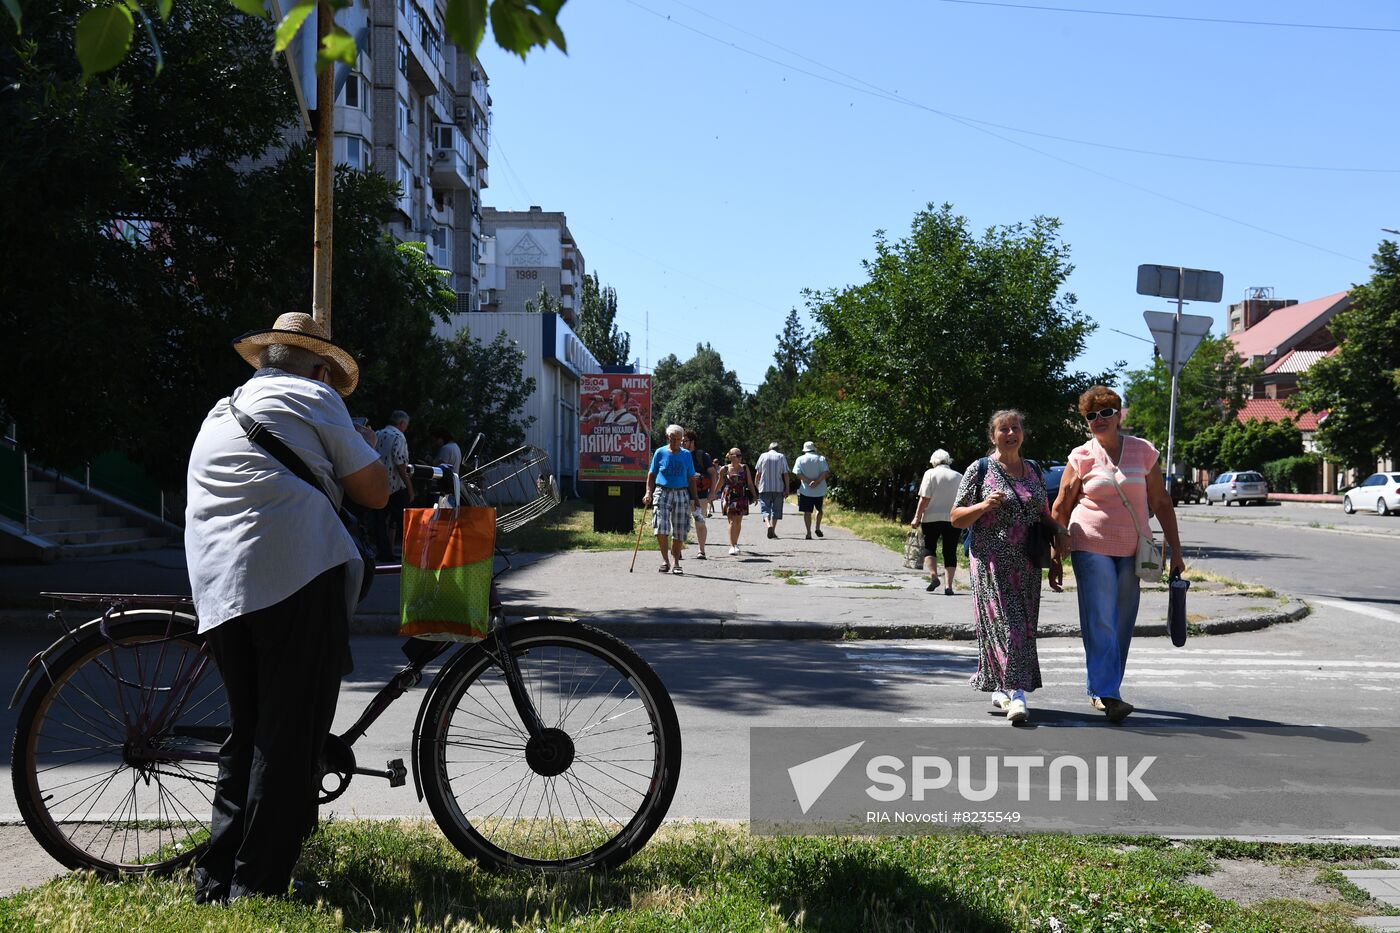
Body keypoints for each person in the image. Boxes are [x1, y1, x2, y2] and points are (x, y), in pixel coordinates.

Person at [184, 312, 390, 902]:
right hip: (295, 570)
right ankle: (260, 885)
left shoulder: (224, 408)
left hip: (220, 583)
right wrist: (370, 452)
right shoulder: (314, 396)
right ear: (321, 368)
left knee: (247, 731)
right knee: (289, 734)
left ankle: (217, 876)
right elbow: (374, 491)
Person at [1050, 386, 1185, 724]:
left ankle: (1104, 687)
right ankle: (1108, 693)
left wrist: (1177, 550)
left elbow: (1162, 502)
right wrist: (1055, 551)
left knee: (1123, 621)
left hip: (1133, 548)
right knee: (1101, 618)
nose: (1099, 420)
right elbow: (1061, 506)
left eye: (1105, 413)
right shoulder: (1080, 456)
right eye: (1091, 416)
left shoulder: (1143, 452)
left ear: (1119, 414)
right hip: (1089, 543)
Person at [950, 410, 1065, 726]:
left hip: (1027, 562)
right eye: (1004, 429)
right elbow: (956, 516)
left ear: (1023, 433)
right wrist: (984, 506)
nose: (1010, 433)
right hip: (991, 561)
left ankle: (1000, 686)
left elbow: (1042, 514)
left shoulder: (1033, 470)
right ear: (993, 435)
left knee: (1023, 629)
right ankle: (1017, 695)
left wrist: (1060, 534)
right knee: (1007, 625)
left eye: (1015, 428)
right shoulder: (981, 469)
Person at [642, 424, 698, 574]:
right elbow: (652, 474)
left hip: (681, 492)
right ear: (667, 438)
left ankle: (676, 562)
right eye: (673, 439)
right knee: (660, 526)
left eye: (679, 439)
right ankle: (665, 560)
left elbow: (691, 478)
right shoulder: (660, 453)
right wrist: (648, 492)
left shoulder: (686, 455)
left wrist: (695, 498)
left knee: (680, 528)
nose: (676, 442)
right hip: (662, 491)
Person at [910, 449, 964, 594]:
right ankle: (949, 586)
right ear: (948, 460)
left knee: (930, 547)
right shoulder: (959, 476)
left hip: (931, 518)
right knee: (950, 551)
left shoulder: (930, 473)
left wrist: (916, 517)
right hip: (952, 518)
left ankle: (934, 575)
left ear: (934, 461)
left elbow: (924, 498)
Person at [372, 410, 414, 560]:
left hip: (379, 484)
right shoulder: (398, 437)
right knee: (404, 520)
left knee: (380, 521)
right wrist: (410, 488)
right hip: (395, 486)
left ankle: (384, 552)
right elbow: (400, 464)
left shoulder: (377, 434)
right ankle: (411, 553)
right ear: (402, 424)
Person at [715, 446, 760, 556]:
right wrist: (713, 493)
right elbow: (720, 482)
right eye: (737, 455)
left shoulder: (744, 468)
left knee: (738, 522)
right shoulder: (724, 469)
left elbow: (749, 483)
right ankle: (732, 546)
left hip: (741, 495)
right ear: (731, 457)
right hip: (729, 496)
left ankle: (735, 543)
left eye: (740, 455)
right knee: (731, 521)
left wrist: (755, 495)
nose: (740, 457)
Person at [682, 429, 718, 559]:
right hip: (682, 495)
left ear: (692, 441)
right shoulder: (678, 454)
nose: (682, 443)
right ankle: (678, 549)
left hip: (701, 496)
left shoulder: (702, 456)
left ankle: (701, 550)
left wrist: (713, 492)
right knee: (680, 523)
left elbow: (713, 474)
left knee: (700, 523)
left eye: (685, 441)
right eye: (681, 441)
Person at [792, 441, 831, 540]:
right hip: (819, 490)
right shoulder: (821, 458)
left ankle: (808, 532)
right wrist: (817, 482)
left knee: (807, 512)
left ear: (804, 449)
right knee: (819, 510)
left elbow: (797, 473)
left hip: (806, 490)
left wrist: (808, 481)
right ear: (814, 448)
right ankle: (817, 527)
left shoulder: (800, 459)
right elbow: (826, 473)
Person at [753, 442, 790, 539]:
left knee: (765, 509)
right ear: (778, 449)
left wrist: (757, 486)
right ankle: (773, 530)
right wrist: (787, 488)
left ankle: (768, 525)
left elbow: (758, 474)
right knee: (776, 510)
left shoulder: (763, 456)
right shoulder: (781, 456)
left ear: (769, 449)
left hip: (764, 487)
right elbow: (785, 474)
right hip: (778, 488)